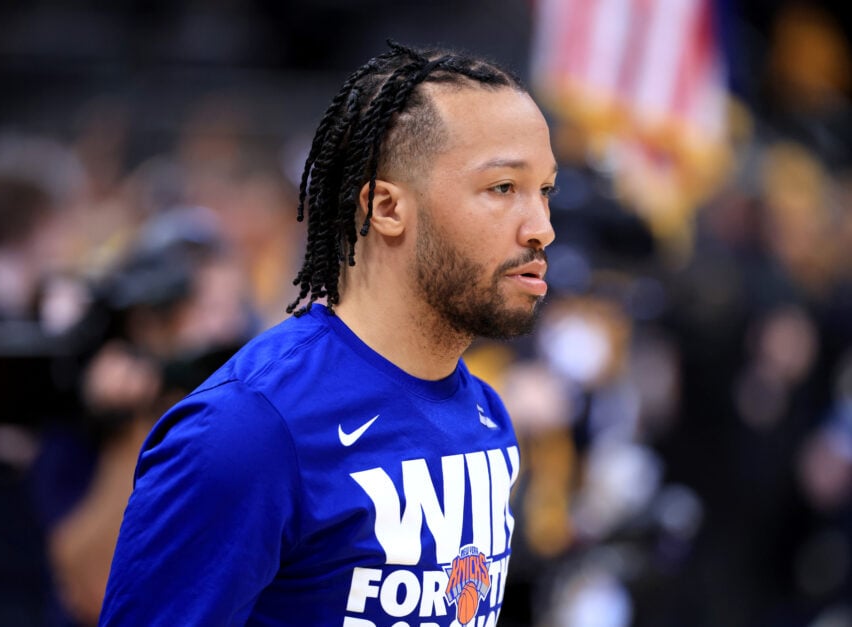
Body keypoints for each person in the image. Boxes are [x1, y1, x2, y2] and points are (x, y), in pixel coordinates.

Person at [100, 40, 557, 626]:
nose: (541, 227)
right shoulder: (248, 430)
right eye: (503, 188)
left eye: (545, 191)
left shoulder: (487, 415)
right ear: (388, 208)